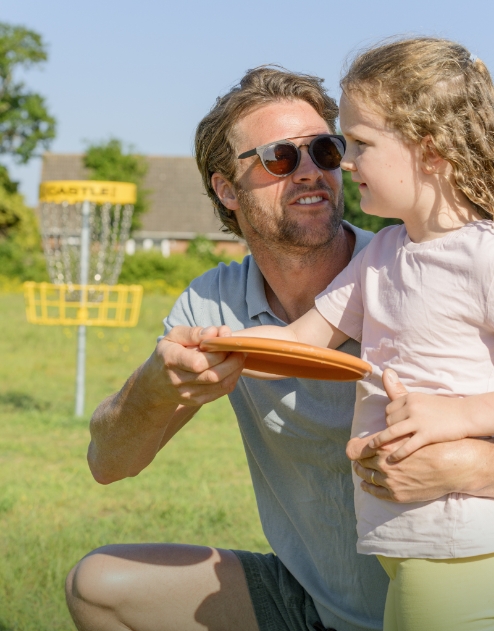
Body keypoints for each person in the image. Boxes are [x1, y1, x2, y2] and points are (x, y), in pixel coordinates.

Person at [65, 65, 494, 631]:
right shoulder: (214, 305)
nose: (315, 171)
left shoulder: (411, 269)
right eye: (280, 158)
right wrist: (156, 382)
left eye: (326, 148)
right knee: (98, 586)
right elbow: (109, 463)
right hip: (309, 607)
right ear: (226, 189)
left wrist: (474, 467)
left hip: (448, 575)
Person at [226, 39, 494, 630]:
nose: (342, 162)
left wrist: (457, 417)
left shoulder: (484, 257)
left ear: (430, 150)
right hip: (403, 544)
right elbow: (302, 341)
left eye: (361, 143)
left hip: (464, 543)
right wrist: (221, 348)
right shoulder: (385, 255)